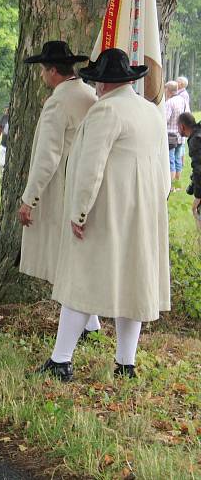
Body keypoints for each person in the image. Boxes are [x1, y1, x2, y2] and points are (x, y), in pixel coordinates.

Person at [37, 48, 170, 382]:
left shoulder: (105, 111)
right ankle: (126, 362)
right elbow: (164, 170)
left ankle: (61, 360)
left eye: (96, 82)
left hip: (107, 208)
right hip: (144, 209)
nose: (95, 88)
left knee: (80, 280)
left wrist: (79, 212)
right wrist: (157, 200)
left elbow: (89, 169)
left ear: (104, 84)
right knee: (134, 282)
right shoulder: (151, 112)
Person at [17, 41, 101, 337]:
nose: (42, 75)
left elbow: (47, 156)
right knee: (77, 255)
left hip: (64, 185)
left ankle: (85, 324)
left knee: (66, 258)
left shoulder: (58, 101)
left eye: (43, 70)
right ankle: (91, 323)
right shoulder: (90, 94)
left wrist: (30, 199)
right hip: (87, 184)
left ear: (52, 71)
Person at [178, 112, 201, 230]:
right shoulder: (198, 133)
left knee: (196, 212)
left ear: (182, 126)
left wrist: (198, 197)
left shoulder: (195, 140)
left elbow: (199, 170)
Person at [166, 80, 189, 190]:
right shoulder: (183, 100)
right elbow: (187, 115)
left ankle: (171, 187)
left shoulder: (169, 102)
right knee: (178, 159)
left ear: (168, 90)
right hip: (181, 135)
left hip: (170, 136)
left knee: (171, 161)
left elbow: (165, 119)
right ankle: (177, 185)